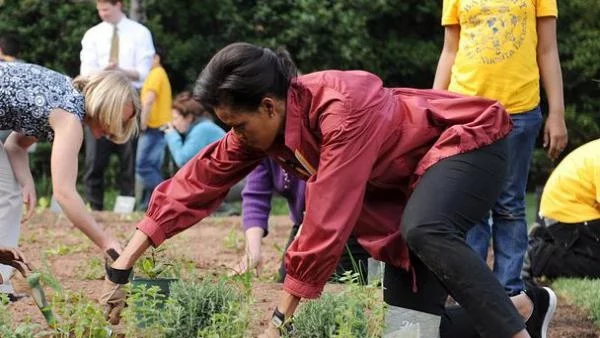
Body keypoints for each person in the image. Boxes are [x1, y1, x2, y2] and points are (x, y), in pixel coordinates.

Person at [101, 43, 556, 337]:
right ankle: (523, 309)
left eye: (237, 125)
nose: (233, 136)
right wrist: (124, 266)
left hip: (467, 144)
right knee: (408, 334)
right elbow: (197, 179)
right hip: (412, 189)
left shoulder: (341, 107)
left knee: (425, 229)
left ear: (268, 104)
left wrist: (280, 322)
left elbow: (326, 216)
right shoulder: (265, 126)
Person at [433, 0, 568, 297]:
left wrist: (556, 113)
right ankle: (471, 293)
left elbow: (547, 49)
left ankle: (508, 294)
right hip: (466, 112)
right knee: (471, 207)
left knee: (509, 205)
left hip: (518, 112)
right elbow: (450, 51)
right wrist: (432, 109)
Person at [0, 62, 138, 300]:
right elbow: (64, 194)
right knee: (7, 197)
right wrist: (107, 242)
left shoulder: (62, 95)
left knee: (9, 194)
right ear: (104, 104)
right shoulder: (70, 117)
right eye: (117, 120)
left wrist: (26, 182)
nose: (114, 130)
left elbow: (16, 145)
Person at [238, 158, 370, 283]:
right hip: (303, 224)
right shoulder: (262, 144)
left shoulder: (314, 139)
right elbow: (255, 197)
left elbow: (329, 191)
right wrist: (252, 252)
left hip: (346, 225)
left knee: (335, 290)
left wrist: (303, 240)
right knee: (288, 283)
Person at [80, 0, 155, 210]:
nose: (102, 13)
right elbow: (85, 72)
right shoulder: (92, 34)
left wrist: (121, 71)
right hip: (100, 100)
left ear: (119, 5)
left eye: (106, 9)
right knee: (94, 159)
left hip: (127, 100)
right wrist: (106, 72)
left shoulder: (140, 33)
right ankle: (94, 206)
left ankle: (126, 206)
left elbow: (144, 72)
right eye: (99, 10)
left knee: (128, 159)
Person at [522, 139, 600, 285]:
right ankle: (539, 256)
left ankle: (545, 237)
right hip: (567, 215)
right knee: (596, 266)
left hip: (567, 211)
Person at [136, 46, 171, 210]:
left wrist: (143, 123)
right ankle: (152, 204)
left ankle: (167, 198)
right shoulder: (158, 74)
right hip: (160, 128)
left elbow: (148, 100)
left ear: (156, 58)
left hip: (154, 127)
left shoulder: (156, 74)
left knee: (143, 166)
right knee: (152, 167)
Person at [164, 92, 225, 168]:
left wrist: (172, 135)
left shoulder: (202, 129)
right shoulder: (202, 127)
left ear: (189, 117)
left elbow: (183, 161)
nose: (173, 124)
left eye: (175, 118)